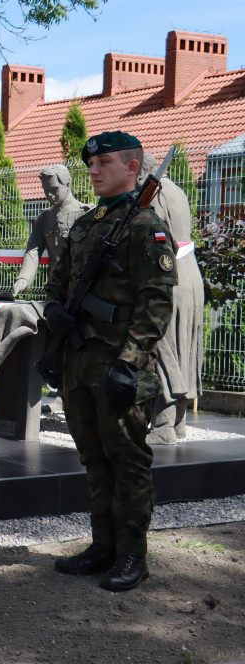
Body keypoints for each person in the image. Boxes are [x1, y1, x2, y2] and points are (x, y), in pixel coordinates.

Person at [43, 131, 177, 592]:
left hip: (120, 367)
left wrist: (130, 360)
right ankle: (103, 547)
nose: (94, 170)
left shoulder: (146, 227)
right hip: (80, 363)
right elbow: (59, 279)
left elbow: (155, 303)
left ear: (133, 167)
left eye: (104, 163)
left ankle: (132, 557)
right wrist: (55, 310)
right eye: (91, 164)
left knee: (127, 461)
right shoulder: (87, 224)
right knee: (94, 460)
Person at [138, 153, 204, 445]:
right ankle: (179, 424)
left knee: (162, 348)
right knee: (184, 348)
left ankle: (163, 425)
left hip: (168, 279)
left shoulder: (154, 196)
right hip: (191, 275)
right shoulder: (178, 191)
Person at [12, 165, 92, 295]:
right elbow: (33, 250)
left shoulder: (85, 214)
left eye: (54, 189)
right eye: (46, 190)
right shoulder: (45, 217)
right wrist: (23, 279)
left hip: (81, 289)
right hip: (55, 289)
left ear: (67, 184)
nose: (49, 195)